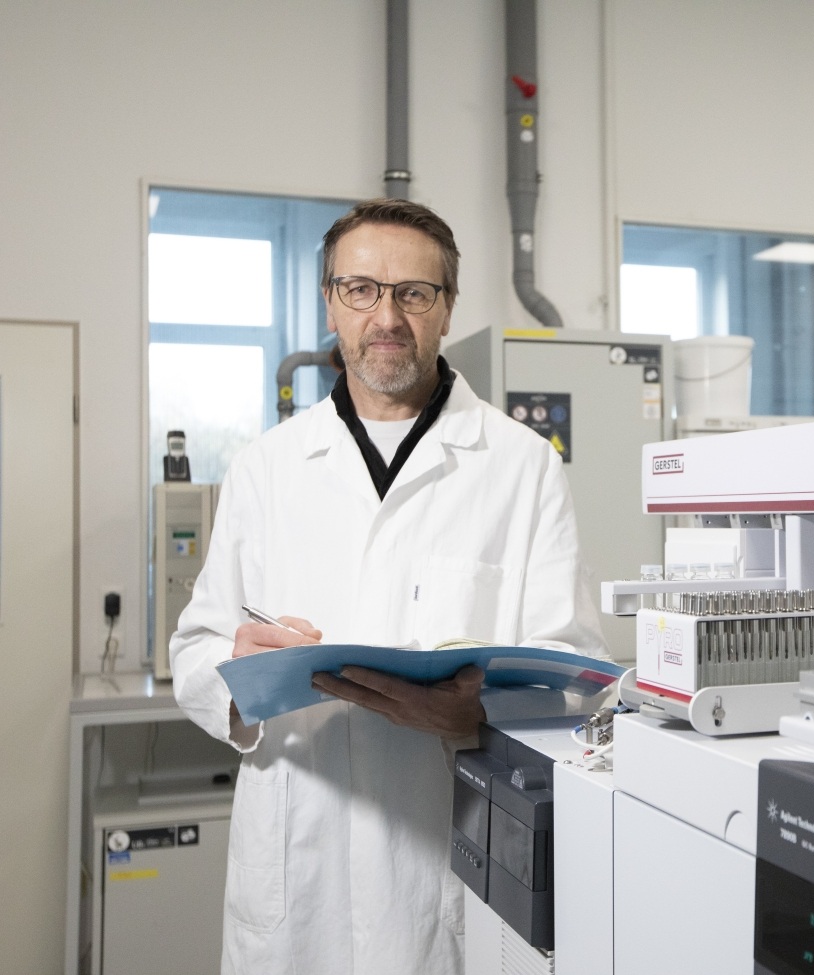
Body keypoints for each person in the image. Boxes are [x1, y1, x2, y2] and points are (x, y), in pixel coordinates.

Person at [170, 198, 607, 975]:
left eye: (414, 292)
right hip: (296, 872)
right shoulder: (266, 467)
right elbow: (196, 648)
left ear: (447, 308)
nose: (387, 316)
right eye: (362, 289)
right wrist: (238, 677)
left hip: (440, 867)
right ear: (330, 303)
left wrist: (480, 713)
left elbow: (576, 676)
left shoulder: (522, 465)